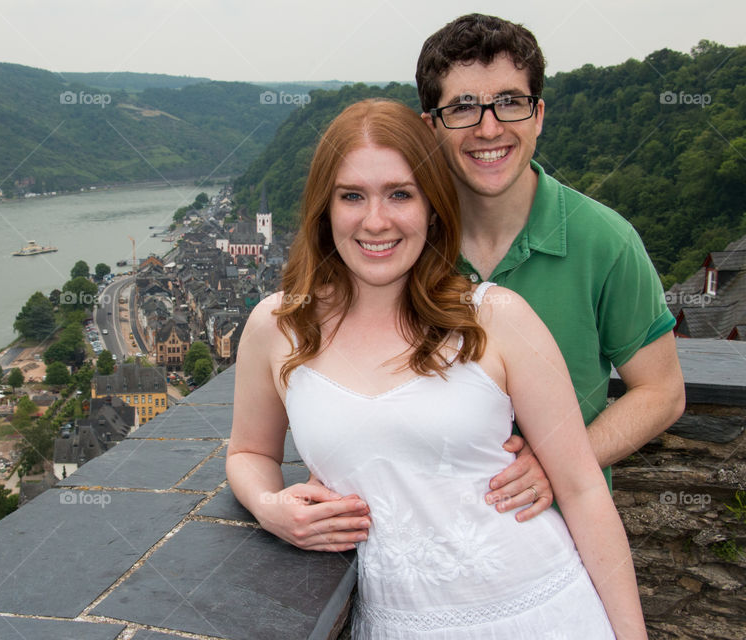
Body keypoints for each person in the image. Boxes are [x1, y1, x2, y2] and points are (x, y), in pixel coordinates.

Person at [226, 99, 645, 638]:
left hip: (542, 609)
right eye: (352, 196)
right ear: (323, 211)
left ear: (433, 207)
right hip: (396, 623)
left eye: (400, 194)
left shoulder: (497, 318)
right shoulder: (276, 327)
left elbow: (585, 490)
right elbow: (248, 452)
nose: (376, 220)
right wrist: (269, 506)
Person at [413, 13, 686, 519]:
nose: (488, 128)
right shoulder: (405, 242)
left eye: (509, 102)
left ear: (538, 114)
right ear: (431, 127)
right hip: (427, 544)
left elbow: (662, 392)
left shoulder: (605, 241)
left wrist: (558, 463)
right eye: (463, 108)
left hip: (566, 548)